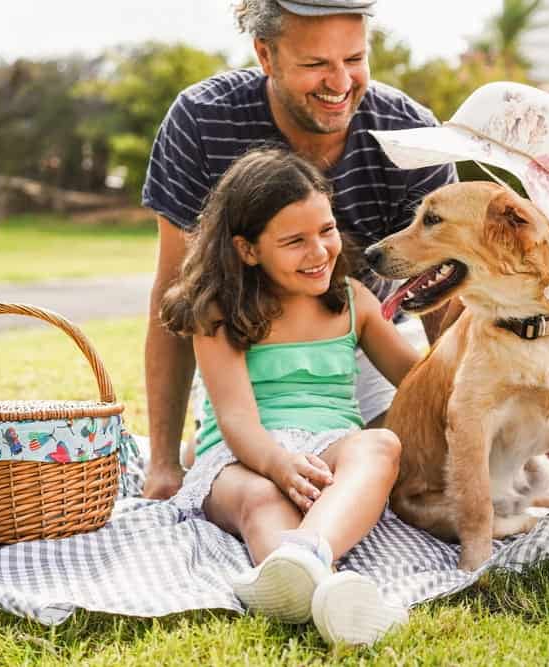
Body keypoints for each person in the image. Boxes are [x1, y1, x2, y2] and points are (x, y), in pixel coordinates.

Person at [141, 0, 455, 500]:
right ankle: (201, 456)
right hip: (248, 356)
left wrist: (476, 434)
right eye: (315, 65)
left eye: (354, 59)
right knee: (257, 482)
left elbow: (448, 298)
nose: (339, 82)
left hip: (354, 350)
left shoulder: (410, 135)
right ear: (265, 55)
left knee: (417, 478)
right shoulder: (202, 119)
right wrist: (160, 464)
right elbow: (174, 288)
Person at [161, 147, 418, 643]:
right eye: (295, 241)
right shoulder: (218, 310)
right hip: (241, 455)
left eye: (326, 230)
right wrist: (278, 465)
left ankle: (304, 562)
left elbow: (420, 381)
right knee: (261, 496)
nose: (320, 251)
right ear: (247, 249)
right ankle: (322, 584)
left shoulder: (352, 301)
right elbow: (236, 419)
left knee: (380, 445)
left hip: (329, 445)